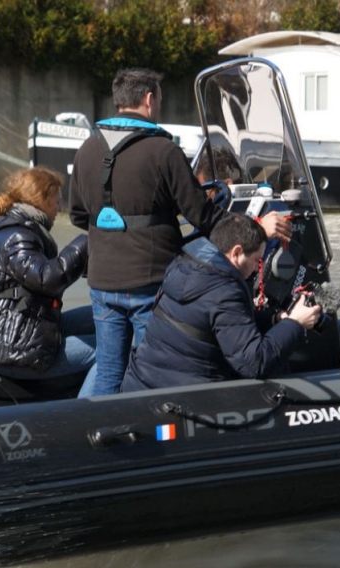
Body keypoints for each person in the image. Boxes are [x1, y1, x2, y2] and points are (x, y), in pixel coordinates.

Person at [68, 67, 292, 396]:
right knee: (152, 371)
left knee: (109, 368)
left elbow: (77, 214)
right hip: (150, 282)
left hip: (102, 281)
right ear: (149, 99)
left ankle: (95, 432)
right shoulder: (163, 151)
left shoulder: (87, 149)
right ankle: (151, 436)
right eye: (158, 98)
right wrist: (258, 228)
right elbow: (203, 216)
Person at [120, 213, 320, 392]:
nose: (255, 268)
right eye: (256, 260)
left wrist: (275, 319)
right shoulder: (225, 291)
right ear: (236, 252)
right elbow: (254, 364)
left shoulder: (184, 264)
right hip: (182, 398)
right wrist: (295, 324)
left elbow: (221, 320)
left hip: (141, 382)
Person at [0, 166, 97, 397]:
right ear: (42, 200)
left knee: (99, 315)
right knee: (111, 352)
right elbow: (47, 279)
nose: (59, 207)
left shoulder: (15, 228)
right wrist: (84, 243)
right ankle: (84, 415)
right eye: (56, 200)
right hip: (14, 348)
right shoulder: (18, 235)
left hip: (23, 328)